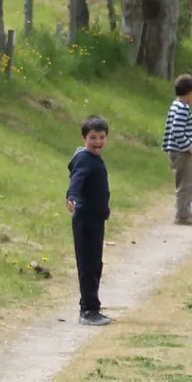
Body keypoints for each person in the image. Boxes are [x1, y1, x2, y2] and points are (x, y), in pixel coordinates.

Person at [64, 115, 112, 326]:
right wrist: (71, 196)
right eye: (93, 137)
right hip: (85, 220)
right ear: (84, 138)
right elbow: (77, 178)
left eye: (102, 137)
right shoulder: (84, 159)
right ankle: (88, 311)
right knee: (88, 266)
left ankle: (92, 305)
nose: (98, 142)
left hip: (96, 219)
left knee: (95, 264)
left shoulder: (94, 158)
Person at [163, 74, 192, 225]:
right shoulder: (182, 108)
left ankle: (185, 209)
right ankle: (183, 215)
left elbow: (171, 129)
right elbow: (176, 131)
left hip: (176, 151)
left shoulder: (176, 105)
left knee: (185, 182)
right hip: (182, 152)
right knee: (187, 184)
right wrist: (189, 146)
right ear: (189, 92)